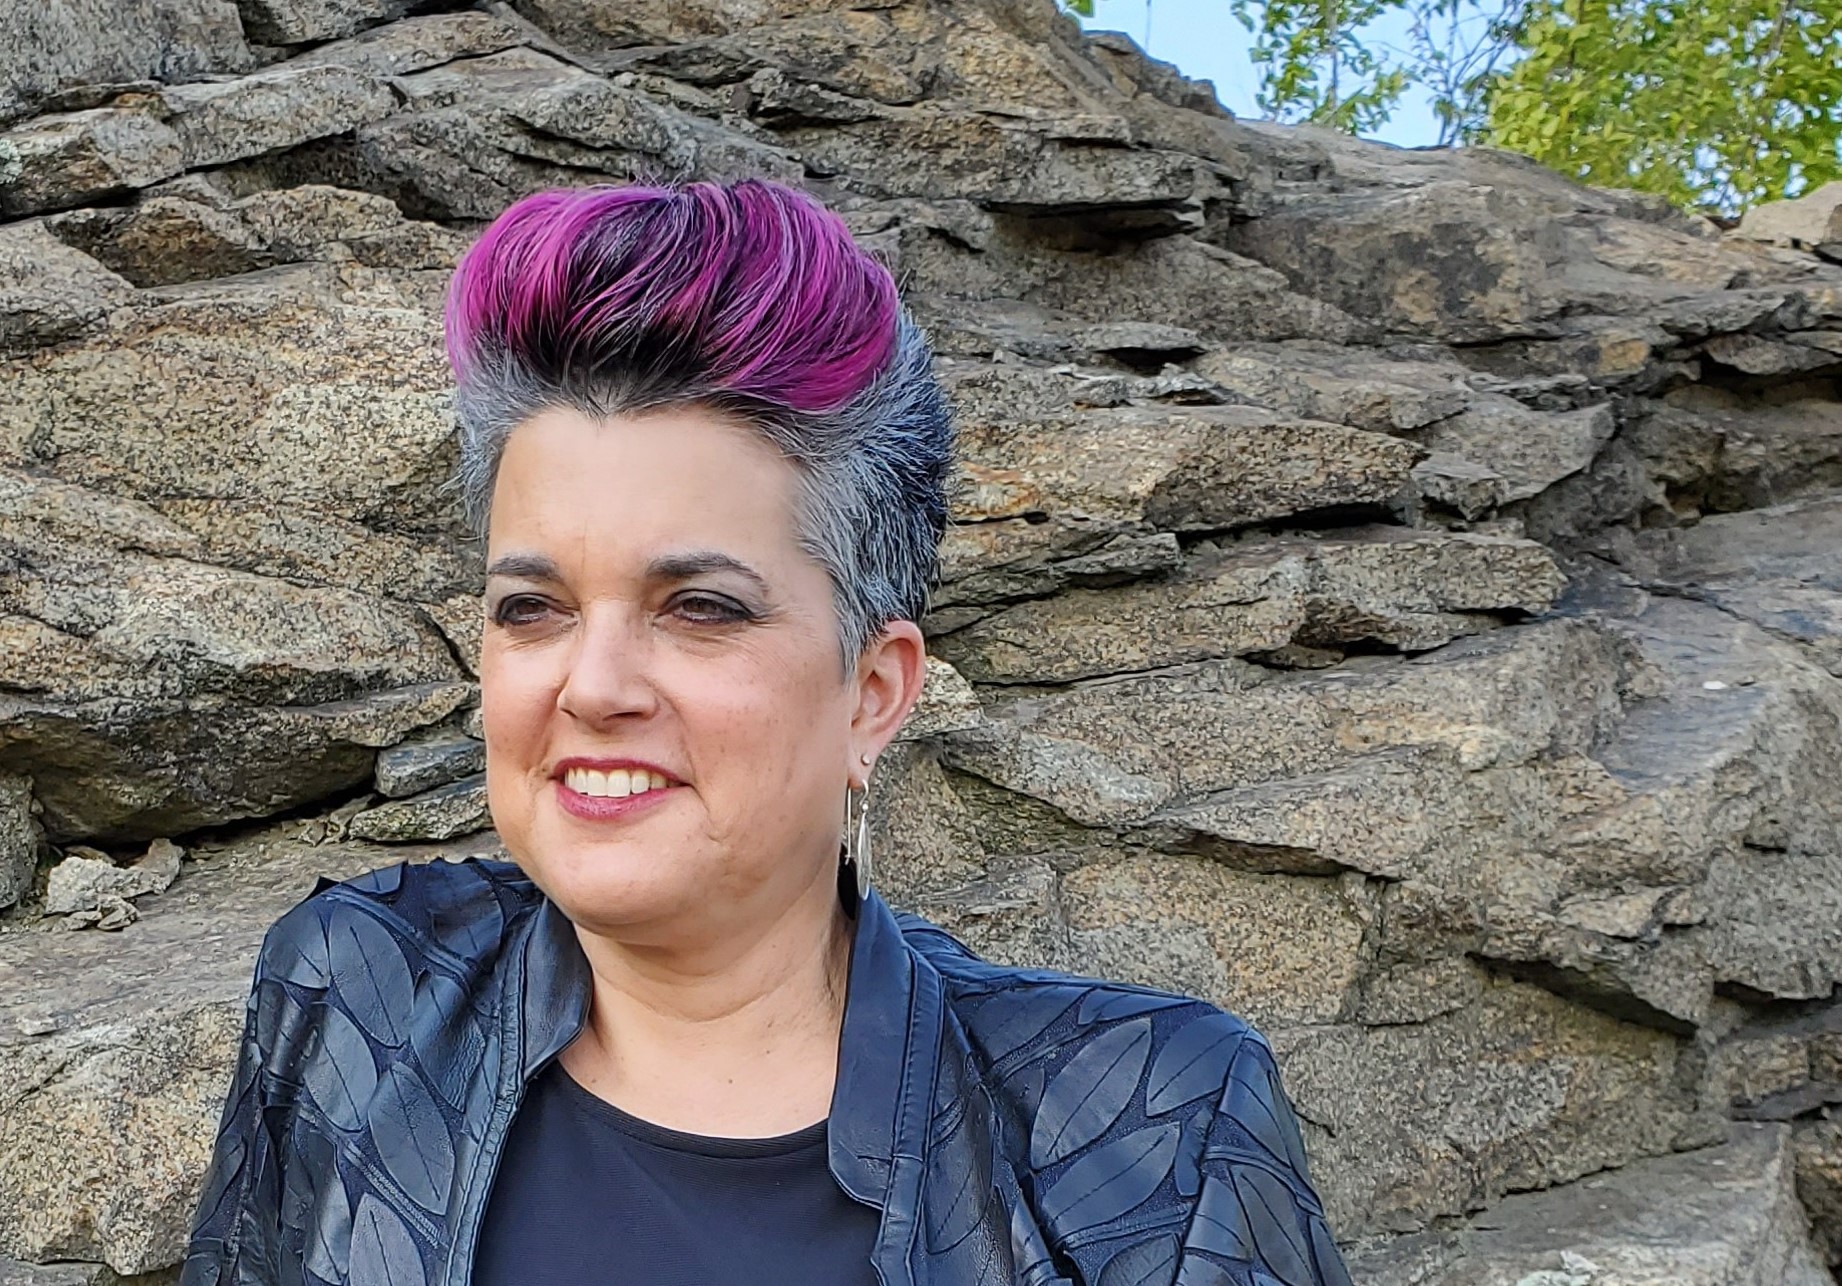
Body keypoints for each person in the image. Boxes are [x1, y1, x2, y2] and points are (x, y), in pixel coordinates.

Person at [179, 178, 1351, 1286]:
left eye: (701, 607)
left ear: (874, 693)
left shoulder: (1150, 1137)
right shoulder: (355, 988)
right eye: (532, 607)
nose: (594, 684)